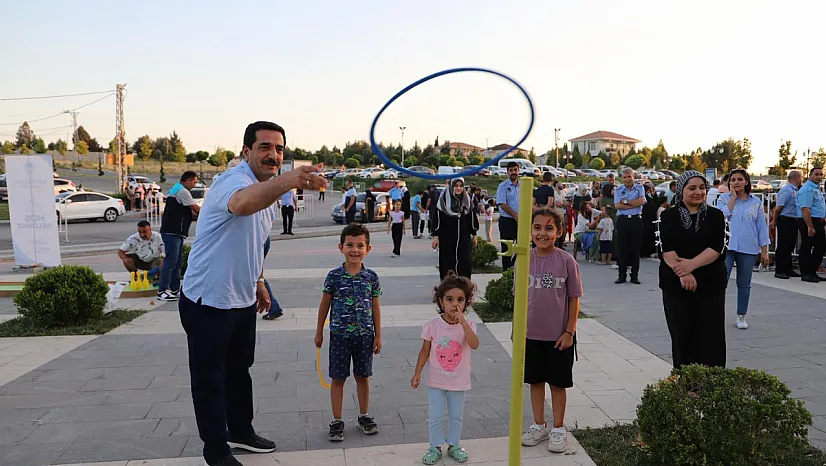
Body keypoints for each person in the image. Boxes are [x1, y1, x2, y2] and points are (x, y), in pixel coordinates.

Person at [180, 121, 328, 466]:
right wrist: (288, 180)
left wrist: (259, 281)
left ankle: (240, 430)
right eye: (264, 147)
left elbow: (257, 242)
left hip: (242, 298)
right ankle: (216, 451)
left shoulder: (270, 192)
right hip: (207, 300)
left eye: (278, 149)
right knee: (209, 379)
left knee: (239, 368)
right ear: (246, 151)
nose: (273, 155)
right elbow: (242, 205)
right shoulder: (232, 181)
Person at [519, 208, 582, 454]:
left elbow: (574, 298)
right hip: (531, 334)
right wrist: (517, 330)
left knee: (557, 383)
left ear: (559, 232)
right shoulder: (524, 259)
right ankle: (539, 424)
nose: (542, 233)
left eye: (548, 228)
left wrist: (569, 332)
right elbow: (519, 298)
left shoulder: (566, 261)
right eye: (537, 227)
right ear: (530, 230)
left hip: (558, 337)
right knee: (535, 381)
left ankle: (557, 428)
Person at [314, 223, 382, 442]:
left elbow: (375, 307)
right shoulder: (334, 276)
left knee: (363, 376)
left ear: (368, 249)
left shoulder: (371, 277)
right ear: (341, 247)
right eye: (350, 245)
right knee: (338, 377)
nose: (355, 250)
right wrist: (319, 333)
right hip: (339, 336)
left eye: (360, 245)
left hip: (364, 336)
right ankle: (337, 420)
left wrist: (378, 335)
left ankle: (364, 415)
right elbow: (324, 305)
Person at [657, 171, 728, 368]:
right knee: (682, 333)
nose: (698, 192)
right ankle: (686, 383)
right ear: (681, 191)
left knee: (710, 334)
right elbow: (666, 248)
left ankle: (712, 384)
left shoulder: (716, 215)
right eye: (692, 188)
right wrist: (684, 273)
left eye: (702, 187)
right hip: (676, 283)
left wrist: (692, 265)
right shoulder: (668, 216)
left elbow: (717, 247)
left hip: (710, 284)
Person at [411, 273, 480, 465]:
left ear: (466, 303)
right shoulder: (433, 325)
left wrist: (463, 322)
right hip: (436, 380)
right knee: (435, 415)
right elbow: (425, 351)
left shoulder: (470, 325)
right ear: (441, 301)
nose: (454, 304)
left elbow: (474, 344)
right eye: (449, 299)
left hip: (459, 380)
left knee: (456, 415)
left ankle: (454, 445)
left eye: (460, 300)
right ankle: (434, 446)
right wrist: (417, 373)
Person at [718, 169, 770, 330]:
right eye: (733, 180)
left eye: (740, 179)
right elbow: (721, 217)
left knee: (744, 283)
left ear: (746, 181)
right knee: (720, 281)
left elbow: (761, 227)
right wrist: (733, 198)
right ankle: (715, 314)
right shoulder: (723, 199)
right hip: (727, 246)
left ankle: (741, 315)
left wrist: (765, 250)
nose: (736, 182)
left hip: (749, 247)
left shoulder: (756, 202)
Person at [158, 171, 201, 301]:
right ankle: (162, 291)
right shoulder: (182, 191)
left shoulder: (177, 189)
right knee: (171, 262)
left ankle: (175, 288)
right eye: (194, 182)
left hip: (177, 232)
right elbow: (195, 208)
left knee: (177, 262)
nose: (194, 185)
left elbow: (187, 212)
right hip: (173, 231)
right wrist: (210, 213)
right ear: (187, 180)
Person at [433, 178, 479, 280]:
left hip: (464, 238)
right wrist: (436, 236)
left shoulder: (467, 202)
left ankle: (464, 289)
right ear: (451, 186)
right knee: (447, 263)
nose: (458, 188)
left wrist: (474, 235)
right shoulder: (443, 202)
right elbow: (437, 220)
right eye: (456, 186)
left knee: (464, 262)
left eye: (460, 186)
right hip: (447, 238)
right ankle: (447, 290)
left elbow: (472, 219)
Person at [613, 168, 646, 284]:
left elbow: (641, 201)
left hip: (636, 220)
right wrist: (633, 204)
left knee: (635, 248)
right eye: (625, 177)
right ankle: (621, 275)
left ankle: (634, 276)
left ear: (633, 177)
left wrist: (625, 202)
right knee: (622, 248)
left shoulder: (639, 188)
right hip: (623, 220)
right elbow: (617, 205)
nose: (627, 179)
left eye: (629, 177)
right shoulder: (618, 189)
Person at [796, 167, 826, 284]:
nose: (819, 176)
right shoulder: (807, 189)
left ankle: (812, 272)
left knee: (820, 246)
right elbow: (805, 209)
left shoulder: (816, 189)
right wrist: (810, 226)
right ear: (810, 175)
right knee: (807, 246)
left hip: (816, 220)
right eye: (816, 174)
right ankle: (806, 273)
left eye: (821, 174)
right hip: (808, 220)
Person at [771, 170, 803, 279]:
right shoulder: (787, 190)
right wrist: (774, 220)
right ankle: (780, 270)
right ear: (797, 178)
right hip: (786, 219)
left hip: (793, 220)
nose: (802, 180)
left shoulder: (795, 190)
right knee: (783, 246)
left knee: (790, 245)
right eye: (801, 177)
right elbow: (779, 207)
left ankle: (788, 269)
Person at [497, 162, 521, 270]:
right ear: (507, 172)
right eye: (511, 170)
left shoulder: (523, 186)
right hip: (507, 221)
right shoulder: (503, 186)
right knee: (507, 249)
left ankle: (515, 269)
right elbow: (502, 204)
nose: (513, 172)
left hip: (521, 222)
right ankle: (506, 272)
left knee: (521, 247)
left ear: (518, 171)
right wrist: (515, 215)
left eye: (515, 170)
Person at [261, 237, 284, 321]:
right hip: (263, 238)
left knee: (256, 275)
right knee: (255, 274)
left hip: (258, 239)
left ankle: (273, 307)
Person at [640, 183, 659, 258]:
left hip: (649, 221)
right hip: (645, 220)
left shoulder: (648, 199)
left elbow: (655, 205)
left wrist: (654, 195)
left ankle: (647, 252)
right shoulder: (643, 199)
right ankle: (644, 252)